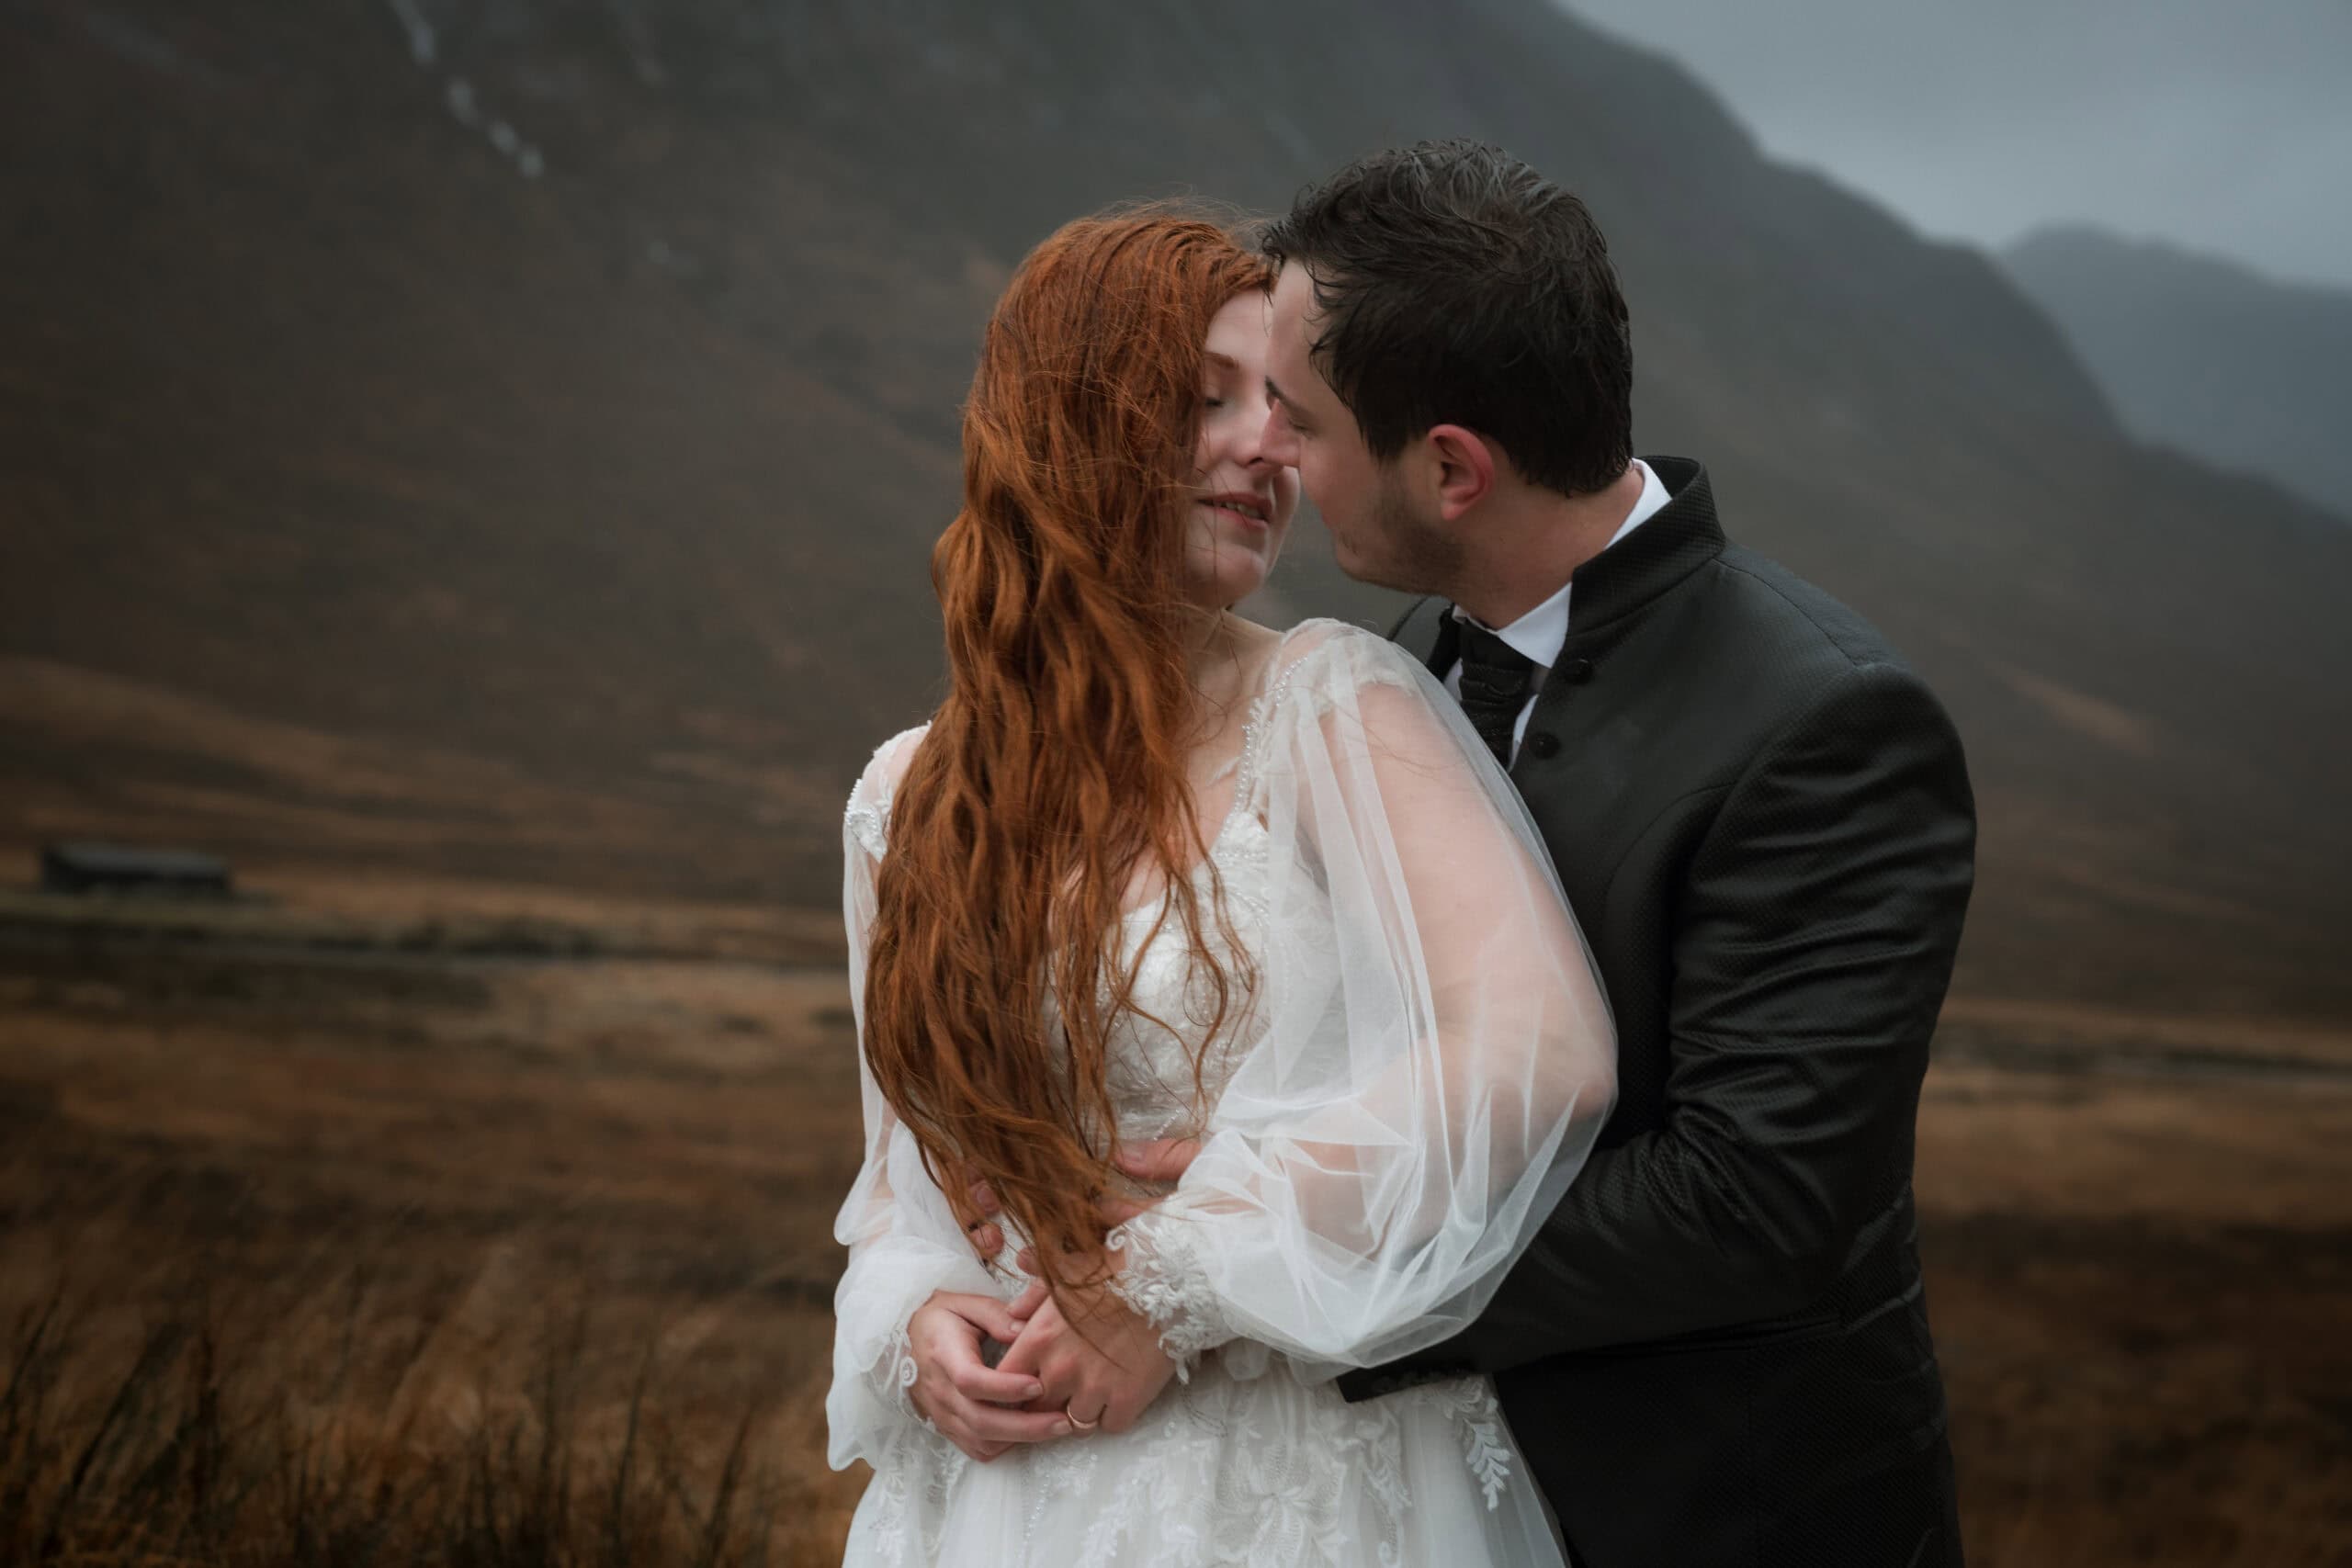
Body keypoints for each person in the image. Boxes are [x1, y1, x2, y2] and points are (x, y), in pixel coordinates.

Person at [942, 143, 1980, 1566]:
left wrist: (1245, 1268)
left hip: (1714, 1513)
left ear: (1448, 469)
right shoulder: (1390, 670)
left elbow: (1755, 1200)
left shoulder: (1823, 720)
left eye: (1298, 417)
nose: (1272, 457)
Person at [827, 209, 1617, 1567]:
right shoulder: (910, 800)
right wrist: (917, 1326)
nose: (1269, 449)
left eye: (1285, 410)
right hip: (1006, 1502)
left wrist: (1170, 1283)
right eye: (1205, 403)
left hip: (1294, 1479)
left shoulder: (1333, 705)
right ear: (1068, 423)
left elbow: (1538, 1055)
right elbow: (903, 1186)